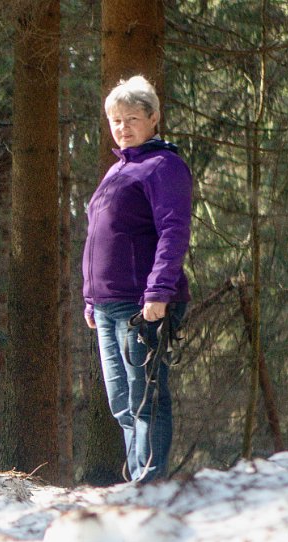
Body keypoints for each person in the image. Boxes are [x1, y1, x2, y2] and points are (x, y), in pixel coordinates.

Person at [82, 75, 192, 483]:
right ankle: (138, 484)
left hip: (141, 303)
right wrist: (90, 299)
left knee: (146, 397)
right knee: (122, 403)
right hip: (107, 305)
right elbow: (99, 238)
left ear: (153, 119)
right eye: (115, 120)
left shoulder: (164, 166)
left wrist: (159, 291)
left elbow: (174, 230)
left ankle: (150, 485)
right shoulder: (117, 171)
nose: (123, 127)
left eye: (132, 118)